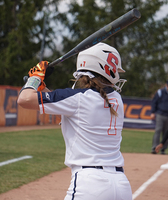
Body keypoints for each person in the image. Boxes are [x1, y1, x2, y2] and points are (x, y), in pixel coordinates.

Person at [17, 43, 132, 200]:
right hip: (121, 185)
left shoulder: (77, 98)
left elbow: (24, 99)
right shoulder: (117, 100)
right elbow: (73, 114)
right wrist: (43, 88)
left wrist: (35, 77)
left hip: (90, 184)